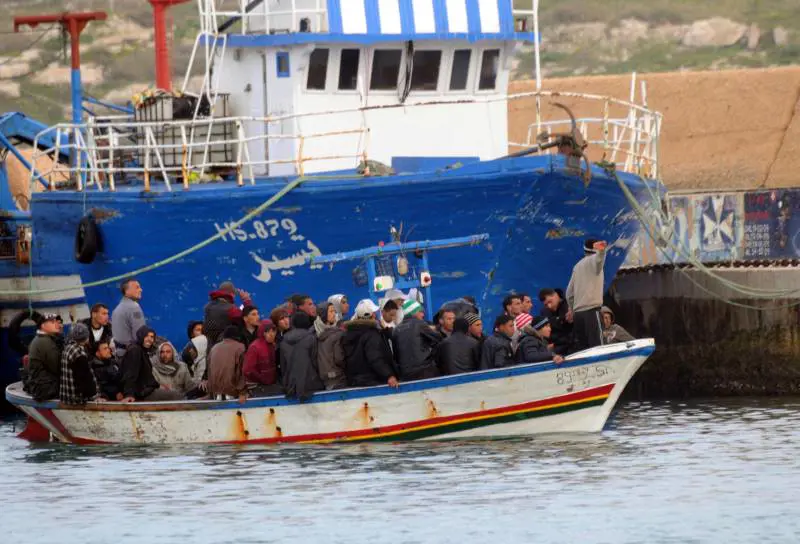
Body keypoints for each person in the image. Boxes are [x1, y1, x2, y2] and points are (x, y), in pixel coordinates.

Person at [342, 299, 398, 387]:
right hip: (371, 381)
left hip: (354, 382)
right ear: (370, 315)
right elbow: (375, 358)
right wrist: (389, 375)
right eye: (373, 312)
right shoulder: (371, 334)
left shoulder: (349, 333)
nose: (375, 315)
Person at [120, 326, 183, 402]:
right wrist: (129, 394)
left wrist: (159, 386)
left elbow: (147, 378)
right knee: (177, 396)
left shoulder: (143, 352)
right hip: (141, 393)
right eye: (146, 336)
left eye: (152, 337)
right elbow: (130, 374)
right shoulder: (135, 350)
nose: (150, 339)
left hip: (146, 390)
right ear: (141, 336)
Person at [566, 238, 608, 351]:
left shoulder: (577, 266)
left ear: (584, 250)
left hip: (578, 315)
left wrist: (571, 309)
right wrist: (602, 251)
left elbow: (569, 293)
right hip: (592, 312)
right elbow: (599, 260)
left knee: (584, 350)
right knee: (599, 348)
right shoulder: (594, 261)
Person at [393, 299, 441, 380]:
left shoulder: (396, 329)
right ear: (414, 312)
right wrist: (436, 329)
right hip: (424, 370)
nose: (423, 314)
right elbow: (438, 338)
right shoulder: (418, 324)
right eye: (421, 311)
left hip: (405, 373)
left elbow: (396, 355)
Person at [280, 312, 324, 401]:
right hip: (311, 384)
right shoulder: (311, 338)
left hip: (291, 386)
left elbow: (283, 366)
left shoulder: (283, 341)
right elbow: (315, 361)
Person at [24, 313, 63, 401]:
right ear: (43, 326)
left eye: (56, 322)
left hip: (39, 386)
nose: (57, 324)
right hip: (45, 389)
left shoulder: (38, 339)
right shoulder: (45, 342)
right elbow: (57, 368)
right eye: (52, 322)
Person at [60, 323, 102, 405]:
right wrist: (95, 397)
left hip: (66, 396)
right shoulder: (79, 354)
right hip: (76, 400)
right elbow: (84, 379)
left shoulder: (67, 348)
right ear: (86, 338)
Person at [203, 281, 253, 347]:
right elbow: (248, 318)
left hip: (209, 347)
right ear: (231, 294)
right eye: (234, 294)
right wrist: (246, 300)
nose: (234, 296)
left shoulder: (208, 306)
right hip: (224, 346)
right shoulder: (230, 309)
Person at [207, 326, 248, 402]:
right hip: (233, 395)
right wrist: (242, 392)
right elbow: (242, 372)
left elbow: (209, 372)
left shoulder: (213, 348)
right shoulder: (240, 348)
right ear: (238, 337)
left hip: (215, 395)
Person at [243, 320, 283, 396]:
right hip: (257, 386)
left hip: (270, 384)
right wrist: (262, 378)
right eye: (267, 332)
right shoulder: (255, 347)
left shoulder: (272, 345)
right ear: (262, 333)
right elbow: (247, 370)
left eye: (273, 331)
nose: (271, 334)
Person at [111, 278, 146, 358]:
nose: (141, 290)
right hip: (132, 355)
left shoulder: (117, 309)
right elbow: (140, 335)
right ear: (127, 291)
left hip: (120, 354)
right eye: (137, 287)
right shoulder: (134, 307)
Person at [315, 302, 347, 390]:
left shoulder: (316, 333)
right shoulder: (337, 334)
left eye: (334, 311)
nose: (334, 314)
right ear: (324, 314)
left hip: (325, 380)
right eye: (331, 311)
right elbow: (339, 358)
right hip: (339, 378)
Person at [539, 288, 574, 355]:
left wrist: (555, 344)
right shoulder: (544, 312)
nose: (549, 306)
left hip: (571, 346)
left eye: (550, 302)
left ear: (556, 295)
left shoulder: (570, 306)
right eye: (546, 305)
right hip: (555, 348)